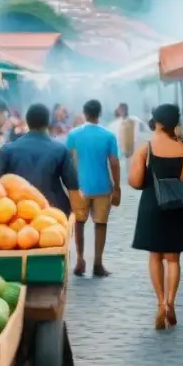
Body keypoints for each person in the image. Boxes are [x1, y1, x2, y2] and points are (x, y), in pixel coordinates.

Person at [129, 104, 183, 329]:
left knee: (155, 256)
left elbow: (136, 182)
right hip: (178, 206)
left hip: (153, 205)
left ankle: (160, 303)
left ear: (157, 122)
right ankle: (171, 302)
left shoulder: (146, 147)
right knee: (173, 258)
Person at [67, 99, 121, 278]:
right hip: (102, 187)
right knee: (100, 224)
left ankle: (80, 260)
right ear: (99, 113)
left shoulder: (73, 134)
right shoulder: (108, 136)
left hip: (79, 187)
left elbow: (67, 161)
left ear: (84, 113)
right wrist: (117, 187)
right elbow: (114, 162)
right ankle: (98, 263)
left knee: (79, 224)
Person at [0, 103, 79, 214]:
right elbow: (73, 187)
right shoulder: (61, 150)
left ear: (27, 122)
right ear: (48, 122)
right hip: (55, 213)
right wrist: (78, 215)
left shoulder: (7, 150)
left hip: (17, 214)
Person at [108, 103, 146, 170]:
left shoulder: (133, 120)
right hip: (120, 149)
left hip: (129, 149)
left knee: (128, 165)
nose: (121, 111)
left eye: (122, 109)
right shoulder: (115, 124)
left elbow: (142, 128)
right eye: (120, 109)